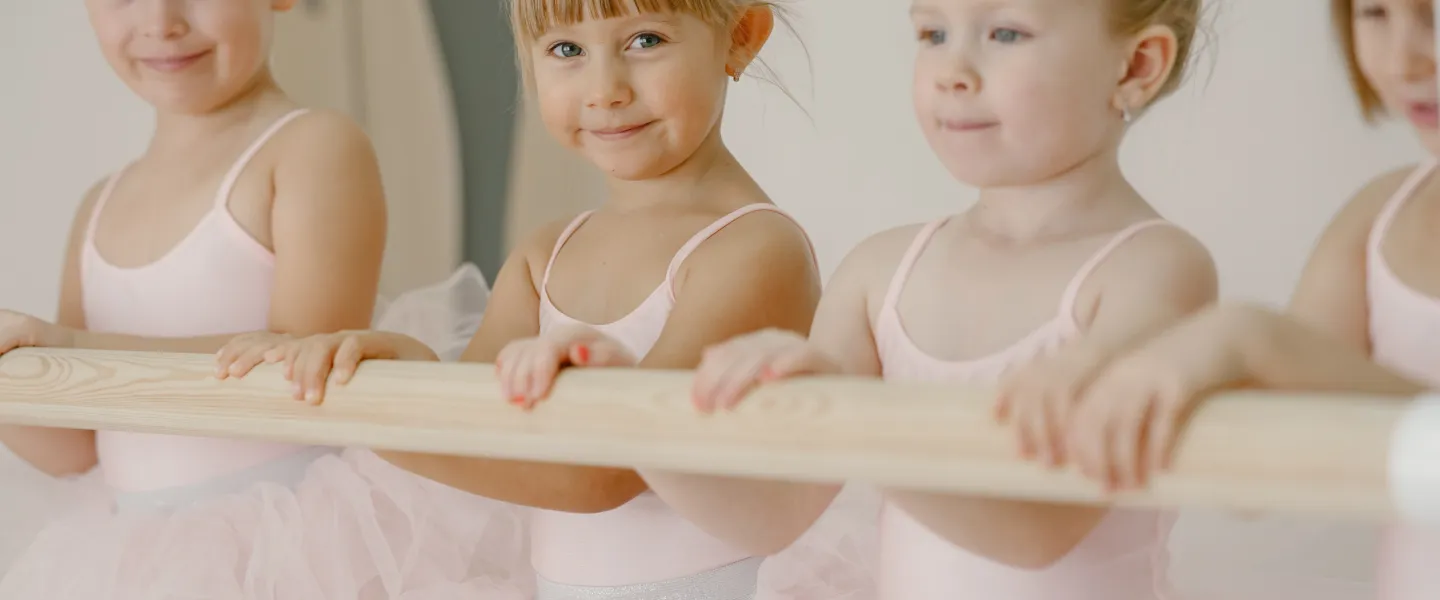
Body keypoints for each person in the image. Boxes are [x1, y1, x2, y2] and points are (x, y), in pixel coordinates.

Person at [215, 1, 868, 598]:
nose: (605, 90)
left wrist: (362, 423)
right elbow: (477, 425)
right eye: (566, 50)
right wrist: (396, 365)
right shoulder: (544, 254)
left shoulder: (752, 248)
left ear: (741, 38)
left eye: (645, 39)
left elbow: (601, 475)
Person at [690, 0, 1214, 598]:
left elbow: (1037, 532)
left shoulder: (1156, 268)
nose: (952, 70)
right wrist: (612, 401)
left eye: (1006, 32)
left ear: (1136, 66)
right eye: (933, 33)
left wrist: (850, 415)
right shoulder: (878, 272)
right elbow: (777, 515)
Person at [0, 1, 524, 597]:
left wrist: (73, 348)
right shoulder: (98, 205)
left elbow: (298, 365)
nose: (161, 21)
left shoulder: (310, 148)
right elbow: (76, 447)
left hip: (292, 547)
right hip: (131, 554)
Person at [1013, 1, 1440, 598]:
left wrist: (1250, 339)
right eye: (1375, 11)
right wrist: (1125, 367)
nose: (1404, 58)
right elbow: (1258, 484)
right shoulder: (1375, 221)